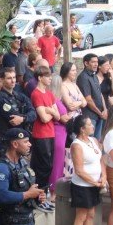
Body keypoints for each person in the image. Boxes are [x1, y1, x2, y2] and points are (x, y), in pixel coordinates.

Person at [69, 115, 105, 225]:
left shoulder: (93, 140)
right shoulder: (76, 145)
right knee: (81, 215)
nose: (93, 127)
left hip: (95, 184)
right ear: (82, 129)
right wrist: (94, 182)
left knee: (91, 214)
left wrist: (104, 177)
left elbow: (101, 160)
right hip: (82, 186)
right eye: (90, 125)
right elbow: (79, 170)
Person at [29, 65, 59, 207]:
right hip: (41, 135)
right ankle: (39, 197)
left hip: (50, 133)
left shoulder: (49, 94)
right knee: (42, 167)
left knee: (49, 166)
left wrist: (49, 110)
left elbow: (57, 115)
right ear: (40, 78)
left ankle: (43, 196)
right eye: (47, 76)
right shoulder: (36, 94)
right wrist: (50, 111)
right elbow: (44, 118)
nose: (50, 79)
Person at [0, 68, 36, 155]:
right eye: (9, 78)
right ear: (2, 79)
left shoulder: (19, 96)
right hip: (8, 142)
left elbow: (33, 113)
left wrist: (23, 118)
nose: (13, 81)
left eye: (14, 77)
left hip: (22, 139)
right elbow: (14, 119)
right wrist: (26, 117)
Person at [49, 75, 73, 203]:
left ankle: (54, 189)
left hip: (61, 132)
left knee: (59, 162)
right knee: (57, 163)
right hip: (58, 132)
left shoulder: (56, 100)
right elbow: (62, 118)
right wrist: (70, 116)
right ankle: (53, 190)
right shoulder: (54, 100)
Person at [77, 53, 107, 139]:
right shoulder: (83, 77)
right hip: (90, 116)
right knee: (90, 139)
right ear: (86, 63)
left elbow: (100, 94)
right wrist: (100, 113)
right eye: (93, 62)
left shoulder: (94, 76)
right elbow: (88, 100)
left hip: (99, 114)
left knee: (97, 140)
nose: (96, 64)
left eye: (97, 62)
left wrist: (104, 109)